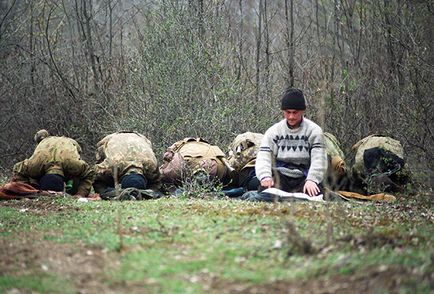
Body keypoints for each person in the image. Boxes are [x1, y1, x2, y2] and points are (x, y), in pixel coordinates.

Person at [254, 88, 328, 198]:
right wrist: (265, 176)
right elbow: (264, 156)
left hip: (304, 176)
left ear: (303, 111)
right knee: (265, 191)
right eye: (288, 112)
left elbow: (319, 159)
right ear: (283, 111)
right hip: (281, 176)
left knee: (315, 194)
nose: (291, 117)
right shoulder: (274, 131)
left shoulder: (314, 131)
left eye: (295, 112)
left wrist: (312, 179)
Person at [12, 129, 95, 197]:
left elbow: (17, 168)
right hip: (58, 148)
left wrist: (29, 190)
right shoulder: (35, 166)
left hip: (70, 143)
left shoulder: (34, 167)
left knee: (77, 175)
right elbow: (89, 173)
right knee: (78, 174)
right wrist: (81, 194)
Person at [93, 131, 160, 195]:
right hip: (111, 139)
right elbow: (95, 174)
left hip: (140, 138)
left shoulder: (151, 164)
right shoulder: (112, 166)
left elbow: (157, 182)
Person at [159, 137, 232, 188]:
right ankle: (203, 180)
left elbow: (167, 156)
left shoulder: (180, 145)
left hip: (186, 161)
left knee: (164, 174)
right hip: (216, 164)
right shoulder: (210, 147)